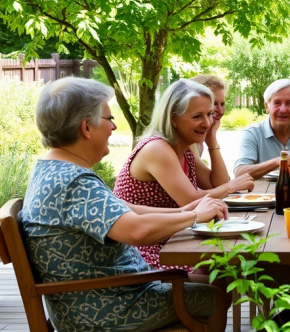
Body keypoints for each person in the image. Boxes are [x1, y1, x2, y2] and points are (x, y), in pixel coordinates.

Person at [20, 77, 228, 332]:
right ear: (86, 127)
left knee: (214, 279)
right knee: (214, 297)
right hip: (107, 309)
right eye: (109, 119)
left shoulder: (53, 170)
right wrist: (194, 216)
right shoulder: (74, 182)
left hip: (95, 298)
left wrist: (183, 211)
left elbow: (120, 207)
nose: (114, 126)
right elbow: (137, 231)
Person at [114, 79, 254, 269]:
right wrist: (233, 186)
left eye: (210, 114)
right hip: (145, 251)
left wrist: (211, 139)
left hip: (173, 239)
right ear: (173, 118)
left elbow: (215, 184)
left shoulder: (183, 148)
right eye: (197, 116)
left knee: (235, 264)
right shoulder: (157, 148)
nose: (206, 122)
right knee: (229, 269)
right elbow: (191, 201)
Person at [234, 79, 290, 180]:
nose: (283, 110)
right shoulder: (253, 133)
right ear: (267, 106)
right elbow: (239, 173)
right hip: (261, 195)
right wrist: (281, 161)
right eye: (277, 103)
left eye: (289, 103)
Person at [190, 75, 227, 158]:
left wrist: (211, 139)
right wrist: (212, 142)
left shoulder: (198, 142)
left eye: (222, 104)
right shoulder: (187, 141)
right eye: (214, 103)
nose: (220, 111)